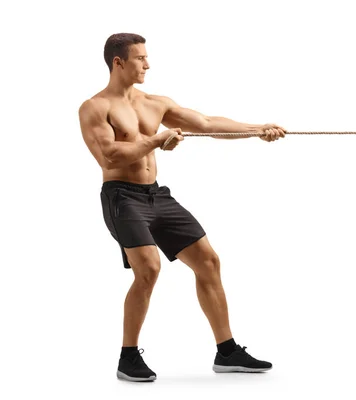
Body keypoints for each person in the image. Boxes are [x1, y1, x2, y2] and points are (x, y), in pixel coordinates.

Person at [78, 33, 286, 382]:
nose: (147, 64)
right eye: (140, 58)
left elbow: (205, 124)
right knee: (148, 269)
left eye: (147, 57)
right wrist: (157, 140)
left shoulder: (154, 103)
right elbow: (109, 154)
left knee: (208, 260)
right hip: (121, 198)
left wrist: (257, 129)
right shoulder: (95, 107)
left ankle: (227, 351)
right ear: (118, 62)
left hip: (156, 196)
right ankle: (128, 358)